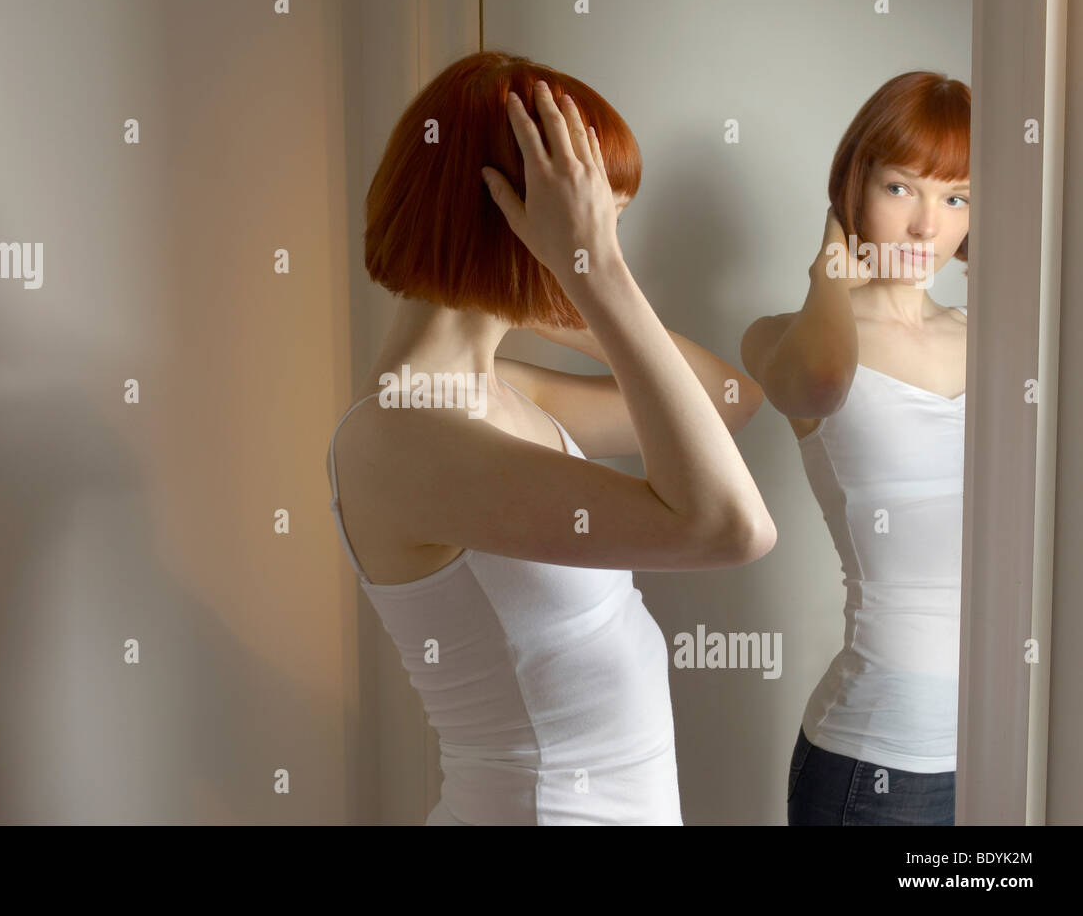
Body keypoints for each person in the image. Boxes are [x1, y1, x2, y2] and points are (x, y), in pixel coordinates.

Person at [326, 51, 776, 825]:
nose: (609, 248)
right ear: (512, 220)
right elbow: (732, 525)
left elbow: (727, 398)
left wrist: (551, 287)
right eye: (599, 220)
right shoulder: (399, 433)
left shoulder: (499, 390)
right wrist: (588, 270)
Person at [741, 71, 971, 825]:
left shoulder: (1001, 340)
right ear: (853, 185)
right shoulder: (782, 335)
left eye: (956, 197)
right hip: (875, 768)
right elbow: (819, 380)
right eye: (902, 188)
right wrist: (829, 272)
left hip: (1001, 749)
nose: (925, 227)